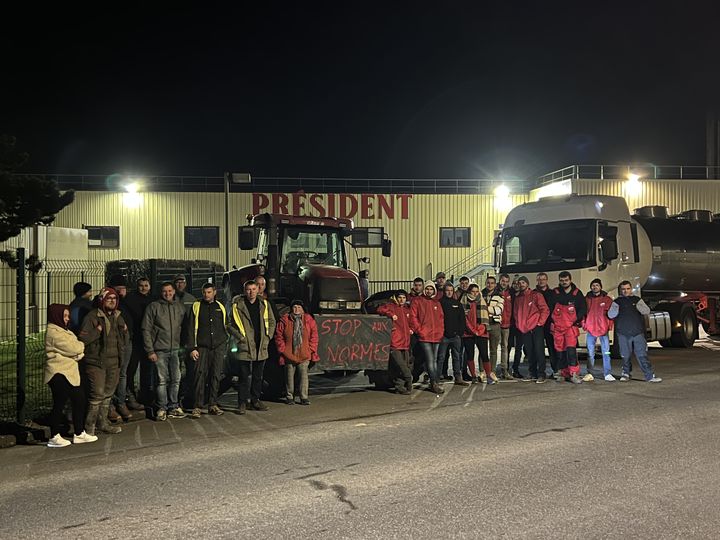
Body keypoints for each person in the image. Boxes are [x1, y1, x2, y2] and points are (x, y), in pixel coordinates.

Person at [44, 304, 98, 447]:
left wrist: (77, 352)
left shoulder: (64, 331)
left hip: (70, 372)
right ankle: (54, 436)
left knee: (79, 400)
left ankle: (79, 433)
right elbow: (75, 347)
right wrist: (78, 352)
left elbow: (76, 347)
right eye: (65, 316)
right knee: (59, 404)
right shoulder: (53, 332)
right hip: (59, 373)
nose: (68, 319)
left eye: (68, 316)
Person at [78, 287, 129, 435]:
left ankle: (103, 423)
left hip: (114, 361)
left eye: (114, 299)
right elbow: (83, 339)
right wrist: (98, 330)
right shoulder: (92, 317)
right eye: (109, 298)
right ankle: (89, 427)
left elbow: (124, 337)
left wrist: (125, 331)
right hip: (96, 361)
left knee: (108, 393)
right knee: (97, 394)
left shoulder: (118, 316)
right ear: (101, 300)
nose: (112, 301)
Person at [227, 280, 277, 413]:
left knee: (258, 376)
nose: (251, 292)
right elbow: (229, 324)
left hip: (261, 346)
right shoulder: (237, 306)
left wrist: (268, 337)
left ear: (258, 290)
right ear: (245, 291)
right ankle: (242, 403)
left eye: (254, 289)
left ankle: (255, 400)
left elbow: (272, 321)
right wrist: (241, 338)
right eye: (249, 289)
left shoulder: (264, 304)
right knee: (244, 377)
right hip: (245, 346)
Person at [142, 281, 187, 421]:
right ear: (160, 293)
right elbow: (146, 329)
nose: (167, 294)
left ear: (174, 291)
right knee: (161, 380)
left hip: (175, 350)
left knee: (176, 379)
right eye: (164, 291)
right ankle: (162, 408)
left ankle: (173, 406)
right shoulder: (153, 307)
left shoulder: (180, 307)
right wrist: (150, 351)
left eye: (170, 291)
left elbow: (184, 328)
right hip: (159, 350)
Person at [186, 283, 228, 418]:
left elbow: (225, 326)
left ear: (214, 292)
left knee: (216, 375)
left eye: (209, 292)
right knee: (199, 375)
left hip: (218, 347)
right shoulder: (196, 306)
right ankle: (197, 406)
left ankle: (213, 404)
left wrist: (224, 343)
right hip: (202, 347)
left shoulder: (220, 307)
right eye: (204, 292)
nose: (206, 295)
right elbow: (191, 328)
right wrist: (192, 348)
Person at [608, 281, 662, 383]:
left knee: (642, 355)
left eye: (628, 289)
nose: (625, 291)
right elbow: (611, 315)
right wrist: (616, 309)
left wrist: (639, 306)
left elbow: (646, 311)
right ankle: (626, 373)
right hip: (623, 333)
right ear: (620, 290)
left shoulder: (637, 300)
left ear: (631, 289)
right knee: (625, 355)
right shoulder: (616, 302)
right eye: (623, 289)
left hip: (637, 332)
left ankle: (649, 376)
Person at [275, 299, 319, 405]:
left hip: (304, 354)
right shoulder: (285, 320)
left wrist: (311, 349)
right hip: (289, 354)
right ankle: (289, 397)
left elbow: (314, 336)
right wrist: (282, 350)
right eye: (294, 307)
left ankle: (304, 397)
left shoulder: (309, 320)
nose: (296, 309)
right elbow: (278, 335)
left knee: (304, 376)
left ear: (303, 309)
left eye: (299, 307)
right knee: (289, 377)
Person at [548, 271, 587, 384]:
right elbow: (549, 309)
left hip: (570, 328)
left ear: (570, 280)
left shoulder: (577, 293)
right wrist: (553, 323)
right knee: (560, 352)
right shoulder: (555, 293)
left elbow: (583, 309)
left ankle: (574, 373)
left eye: (566, 280)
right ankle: (562, 372)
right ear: (559, 281)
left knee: (571, 351)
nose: (564, 282)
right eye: (562, 280)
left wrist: (576, 320)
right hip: (558, 329)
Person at [122, 277, 153, 409]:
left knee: (147, 370)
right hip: (134, 340)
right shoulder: (130, 299)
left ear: (150, 286)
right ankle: (130, 395)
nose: (143, 288)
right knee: (131, 370)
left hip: (148, 340)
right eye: (141, 285)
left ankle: (145, 396)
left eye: (146, 285)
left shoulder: (153, 300)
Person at [409, 281, 445, 394]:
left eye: (431, 289)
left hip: (436, 336)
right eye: (427, 289)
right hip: (425, 336)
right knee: (430, 360)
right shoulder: (418, 301)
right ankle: (434, 383)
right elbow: (413, 317)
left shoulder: (436, 303)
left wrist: (440, 331)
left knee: (434, 360)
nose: (429, 291)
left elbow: (441, 319)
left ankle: (433, 381)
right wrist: (420, 330)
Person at [512, 276, 549, 383]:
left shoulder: (536, 295)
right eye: (519, 283)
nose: (521, 284)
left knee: (539, 351)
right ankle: (532, 372)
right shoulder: (518, 298)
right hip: (524, 329)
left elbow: (545, 309)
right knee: (530, 352)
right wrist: (519, 325)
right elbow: (515, 313)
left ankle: (541, 373)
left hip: (536, 328)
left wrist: (540, 323)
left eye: (523, 282)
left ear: (527, 284)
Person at [108, 275, 134, 422]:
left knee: (122, 374)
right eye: (117, 290)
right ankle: (111, 405)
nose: (119, 293)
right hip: (112, 344)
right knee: (112, 375)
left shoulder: (127, 302)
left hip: (126, 342)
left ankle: (121, 402)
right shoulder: (106, 304)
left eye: (122, 289)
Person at [377, 290, 413, 394]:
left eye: (404, 298)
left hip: (405, 343)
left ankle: (399, 386)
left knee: (402, 365)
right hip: (395, 342)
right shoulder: (391, 307)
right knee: (402, 365)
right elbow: (380, 309)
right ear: (396, 298)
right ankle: (408, 380)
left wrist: (411, 329)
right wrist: (391, 314)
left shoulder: (406, 310)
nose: (402, 300)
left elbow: (410, 323)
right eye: (400, 298)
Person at [460, 284, 492, 384]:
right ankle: (473, 376)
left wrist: (480, 330)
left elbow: (485, 319)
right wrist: (473, 331)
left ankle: (488, 375)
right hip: (468, 333)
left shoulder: (482, 301)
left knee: (484, 355)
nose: (475, 293)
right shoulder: (463, 301)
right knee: (470, 355)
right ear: (469, 292)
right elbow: (463, 319)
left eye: (477, 291)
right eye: (473, 291)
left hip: (481, 333)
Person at [584, 278, 614, 381]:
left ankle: (607, 373)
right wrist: (585, 325)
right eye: (593, 285)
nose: (594, 287)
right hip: (591, 330)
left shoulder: (607, 299)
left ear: (600, 287)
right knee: (590, 353)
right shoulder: (586, 299)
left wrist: (609, 326)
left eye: (597, 285)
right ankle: (590, 373)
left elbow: (612, 314)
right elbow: (583, 313)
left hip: (603, 330)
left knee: (606, 352)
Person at [482, 275, 506, 378]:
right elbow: (478, 309)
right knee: (482, 349)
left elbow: (498, 310)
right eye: (488, 282)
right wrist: (490, 308)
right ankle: (482, 371)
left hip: (495, 324)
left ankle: (491, 372)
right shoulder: (480, 295)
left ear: (495, 284)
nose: (490, 285)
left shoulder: (499, 296)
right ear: (485, 283)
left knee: (493, 350)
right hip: (483, 325)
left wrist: (485, 308)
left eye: (492, 283)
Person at [535, 272, 557, 378]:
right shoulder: (533, 293)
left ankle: (556, 370)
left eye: (543, 279)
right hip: (537, 325)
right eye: (539, 279)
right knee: (538, 350)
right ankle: (540, 372)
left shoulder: (552, 293)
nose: (541, 281)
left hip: (549, 324)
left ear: (546, 280)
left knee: (552, 348)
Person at [498, 274, 514, 380]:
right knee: (493, 349)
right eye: (503, 281)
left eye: (506, 281)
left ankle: (505, 370)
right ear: (499, 281)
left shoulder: (512, 293)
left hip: (507, 325)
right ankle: (491, 372)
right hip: (496, 324)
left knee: (505, 348)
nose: (504, 283)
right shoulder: (494, 291)